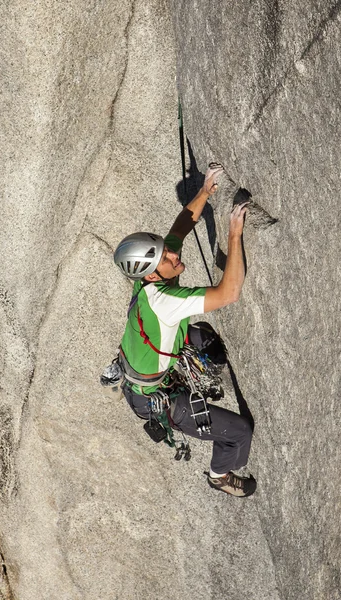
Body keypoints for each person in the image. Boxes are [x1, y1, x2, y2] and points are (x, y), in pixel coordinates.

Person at [114, 164, 256, 497]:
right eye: (166, 257)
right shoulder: (163, 298)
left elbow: (179, 228)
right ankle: (220, 475)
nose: (174, 253)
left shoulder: (151, 279)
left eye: (167, 250)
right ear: (150, 274)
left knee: (205, 337)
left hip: (146, 373)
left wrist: (206, 191)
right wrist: (234, 234)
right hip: (158, 399)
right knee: (239, 431)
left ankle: (200, 373)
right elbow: (229, 293)